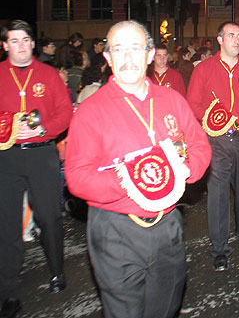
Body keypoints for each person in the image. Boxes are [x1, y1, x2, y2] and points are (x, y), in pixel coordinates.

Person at [65, 20, 211, 318]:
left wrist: (188, 171)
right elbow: (77, 178)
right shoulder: (91, 111)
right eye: (119, 50)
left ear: (149, 54)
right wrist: (131, 180)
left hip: (168, 226)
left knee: (166, 307)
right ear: (107, 58)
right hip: (115, 231)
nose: (128, 58)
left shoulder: (172, 100)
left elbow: (199, 144)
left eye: (136, 48)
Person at [0, 20, 74, 318]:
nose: (20, 45)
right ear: (5, 45)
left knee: (49, 218)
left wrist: (45, 129)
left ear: (33, 43)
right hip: (7, 158)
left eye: (25, 39)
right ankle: (9, 292)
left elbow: (65, 113)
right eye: (14, 40)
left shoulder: (49, 74)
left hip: (42, 155)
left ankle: (57, 271)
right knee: (7, 225)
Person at [187, 21, 239, 272]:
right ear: (220, 39)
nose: (237, 40)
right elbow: (193, 104)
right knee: (218, 194)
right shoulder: (204, 70)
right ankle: (219, 248)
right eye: (231, 35)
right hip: (216, 140)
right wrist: (212, 115)